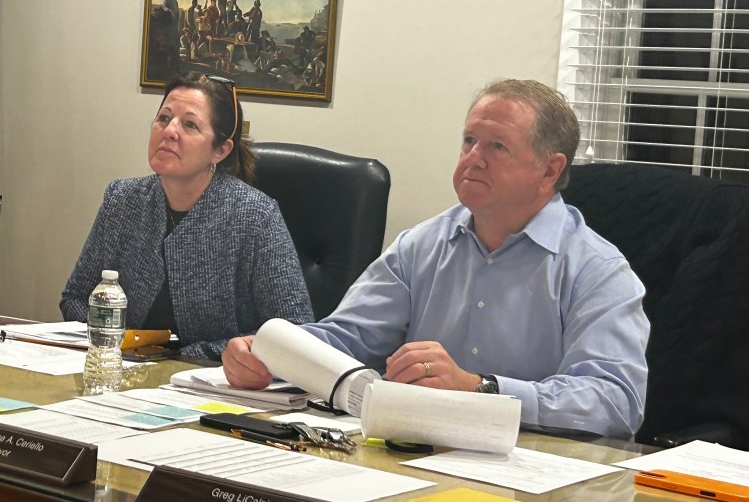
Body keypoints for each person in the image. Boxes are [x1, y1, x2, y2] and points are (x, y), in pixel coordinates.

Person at [223, 79, 650, 439]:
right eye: (469, 141)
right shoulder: (422, 245)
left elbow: (615, 402)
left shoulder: (597, 270)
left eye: (497, 147)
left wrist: (482, 390)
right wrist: (272, 356)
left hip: (533, 468)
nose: (473, 159)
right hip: (419, 453)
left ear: (549, 170)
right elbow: (348, 338)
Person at [60, 72, 312, 362]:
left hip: (217, 385)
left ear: (220, 150)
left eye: (189, 124)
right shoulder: (123, 199)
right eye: (164, 118)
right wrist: (119, 342)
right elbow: (76, 298)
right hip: (121, 371)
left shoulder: (254, 216)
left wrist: (177, 356)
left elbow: (296, 332)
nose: (169, 131)